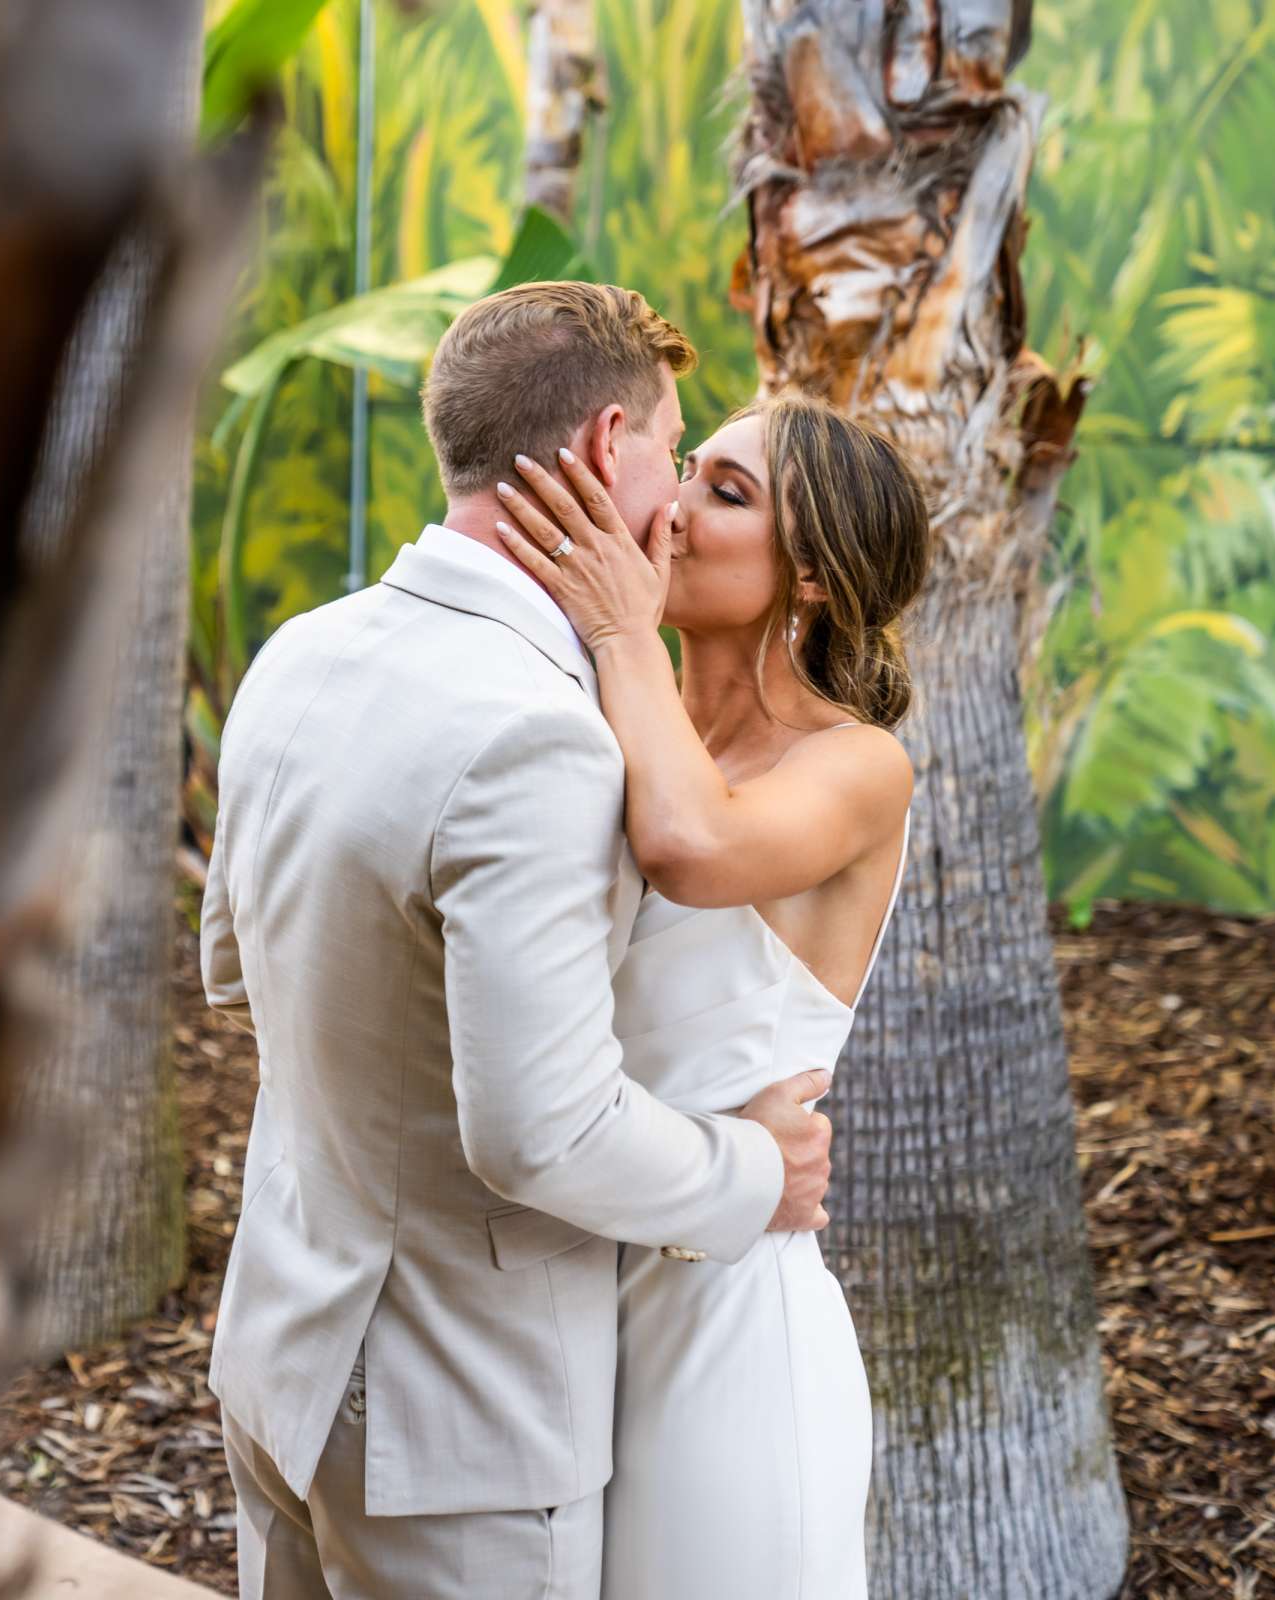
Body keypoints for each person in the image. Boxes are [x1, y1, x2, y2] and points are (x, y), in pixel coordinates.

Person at [199, 281, 835, 1600]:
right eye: (675, 446)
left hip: (277, 1353)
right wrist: (746, 1173)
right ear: (612, 449)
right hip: (454, 1430)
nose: (679, 493)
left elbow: (231, 966)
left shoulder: (302, 654)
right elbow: (537, 1132)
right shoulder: (536, 735)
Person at [490, 391, 929, 1599]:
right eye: (690, 470)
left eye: (727, 496)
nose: (673, 512)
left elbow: (693, 847)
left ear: (819, 580)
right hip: (557, 1311)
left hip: (730, 1333)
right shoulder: (601, 721)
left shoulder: (857, 765)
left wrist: (621, 631)